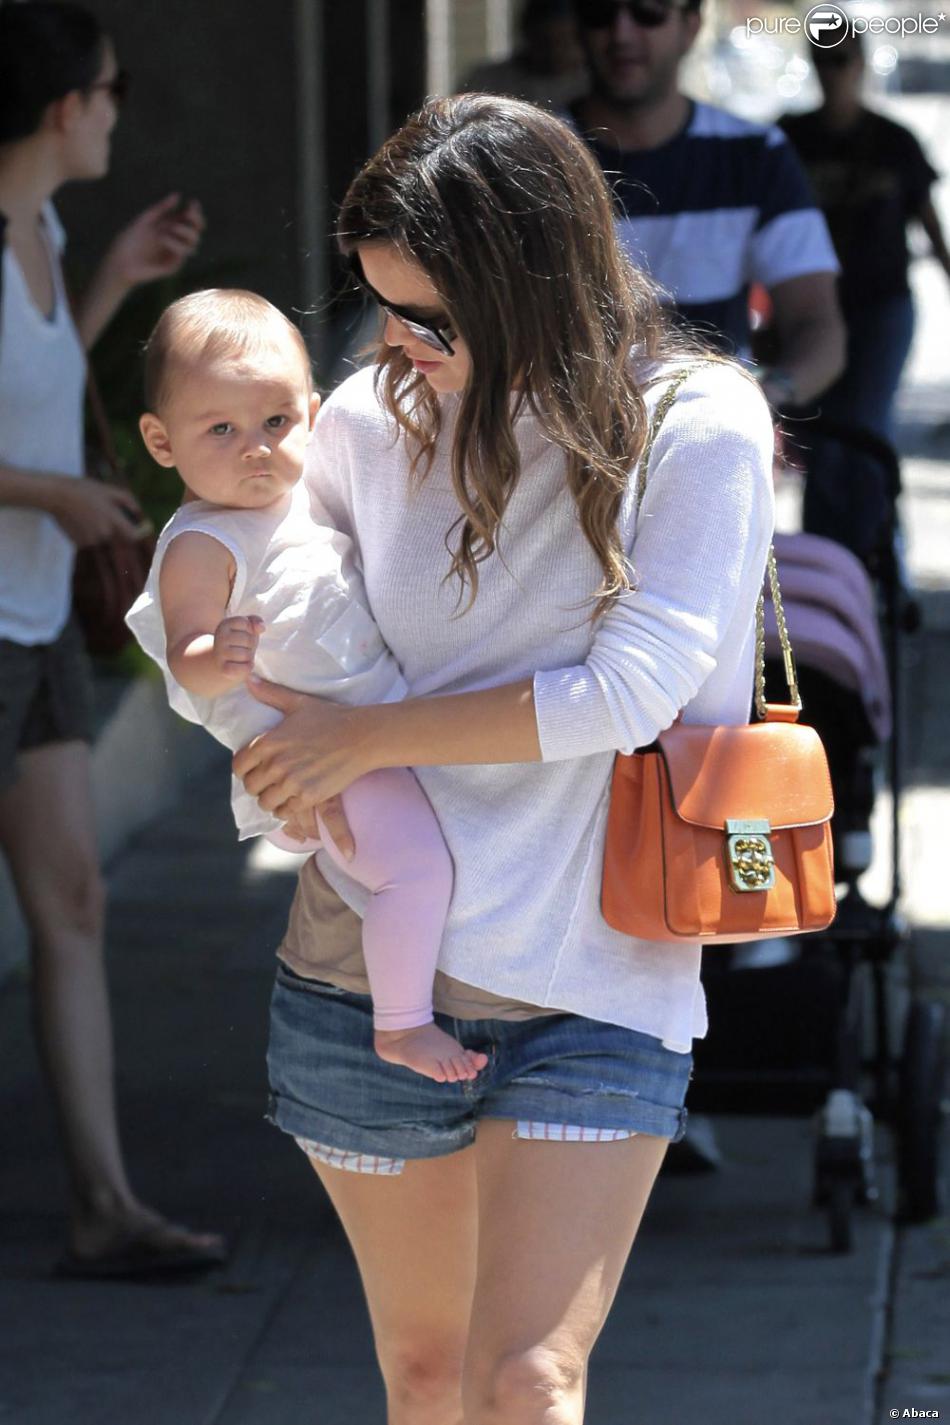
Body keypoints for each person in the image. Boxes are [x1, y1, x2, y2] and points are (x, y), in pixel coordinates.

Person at [232, 94, 774, 1423]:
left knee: (527, 1380)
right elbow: (295, 617)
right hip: (368, 970)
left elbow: (633, 687)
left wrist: (364, 735)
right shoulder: (370, 418)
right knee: (425, 1378)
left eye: (433, 319)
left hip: (601, 967)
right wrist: (259, 718)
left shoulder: (696, 422)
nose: (399, 349)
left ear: (535, 281)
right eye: (381, 312)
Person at [0, 1, 225, 1279]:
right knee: (65, 902)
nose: (115, 107)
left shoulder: (41, 229)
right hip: (7, 608)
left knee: (73, 903)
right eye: (109, 88)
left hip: (32, 623)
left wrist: (113, 283)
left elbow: (24, 388)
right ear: (60, 107)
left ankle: (105, 1204)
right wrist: (55, 497)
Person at [126, 288, 486, 1084]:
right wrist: (212, 650)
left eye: (276, 422)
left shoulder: (294, 499)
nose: (255, 448)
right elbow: (182, 647)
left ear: (313, 413)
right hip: (324, 755)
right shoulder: (204, 540)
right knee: (414, 871)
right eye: (220, 429)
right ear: (161, 440)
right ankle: (402, 1024)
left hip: (365, 733)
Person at [567, 0, 846, 412]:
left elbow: (817, 324)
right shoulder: (531, 158)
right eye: (601, 13)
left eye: (648, 12)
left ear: (691, 26)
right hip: (565, 445)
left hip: (711, 439)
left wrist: (762, 398)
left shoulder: (755, 155)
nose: (621, 33)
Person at [781, 33, 950, 444]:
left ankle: (878, 510)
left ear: (861, 64)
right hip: (811, 309)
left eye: (841, 60)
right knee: (817, 437)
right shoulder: (788, 138)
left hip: (881, 306)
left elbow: (928, 220)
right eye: (823, 61)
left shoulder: (895, 141)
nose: (832, 72)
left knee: (866, 428)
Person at [461, 0, 588, 109]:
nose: (556, 50)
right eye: (545, 41)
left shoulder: (589, 85)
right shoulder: (488, 82)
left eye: (564, 41)